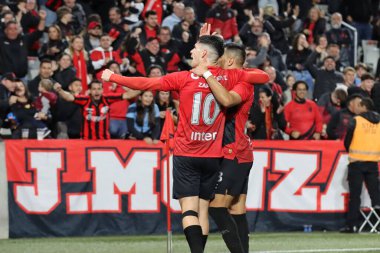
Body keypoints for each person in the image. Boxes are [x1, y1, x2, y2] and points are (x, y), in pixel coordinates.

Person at [101, 34, 269, 253]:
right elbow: (262, 76)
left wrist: (114, 77)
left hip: (191, 153)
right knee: (207, 209)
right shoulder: (231, 78)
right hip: (213, 155)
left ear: (205, 54)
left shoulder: (184, 78)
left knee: (194, 211)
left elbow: (146, 83)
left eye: (195, 49)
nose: (190, 52)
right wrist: (209, 52)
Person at [341, 97, 380, 233]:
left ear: (364, 107)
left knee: (355, 196)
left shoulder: (356, 120)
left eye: (358, 105)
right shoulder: (379, 121)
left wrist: (351, 150)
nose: (355, 108)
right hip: (373, 162)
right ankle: (378, 224)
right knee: (376, 195)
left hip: (357, 162)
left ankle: (352, 225)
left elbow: (347, 141)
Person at [54, 80, 138, 140]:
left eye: (99, 89)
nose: (96, 92)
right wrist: (60, 90)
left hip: (104, 141)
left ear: (102, 90)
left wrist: (144, 87)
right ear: (90, 91)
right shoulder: (85, 100)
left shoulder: (108, 99)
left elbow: (128, 95)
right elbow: (69, 97)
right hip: (86, 141)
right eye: (94, 89)